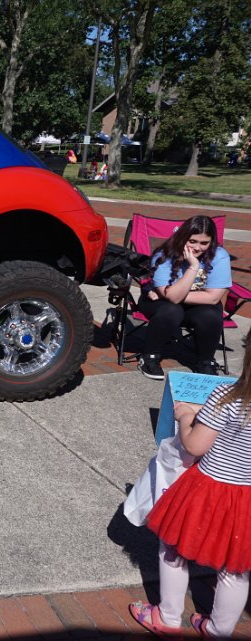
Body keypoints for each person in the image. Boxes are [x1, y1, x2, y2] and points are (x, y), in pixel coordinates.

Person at [129, 327, 251, 640]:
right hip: (246, 499)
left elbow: (195, 445)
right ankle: (218, 631)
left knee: (173, 548)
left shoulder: (227, 398)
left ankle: (168, 618)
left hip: (209, 490)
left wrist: (186, 417)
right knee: (235, 567)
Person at [137, 215, 231, 380]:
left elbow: (213, 298)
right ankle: (150, 356)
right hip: (159, 305)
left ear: (211, 242)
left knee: (211, 314)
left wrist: (171, 294)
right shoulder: (164, 255)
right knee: (172, 310)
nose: (197, 248)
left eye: (204, 243)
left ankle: (206, 362)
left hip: (190, 305)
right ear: (183, 237)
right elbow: (173, 299)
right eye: (192, 241)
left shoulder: (219, 256)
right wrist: (194, 266)